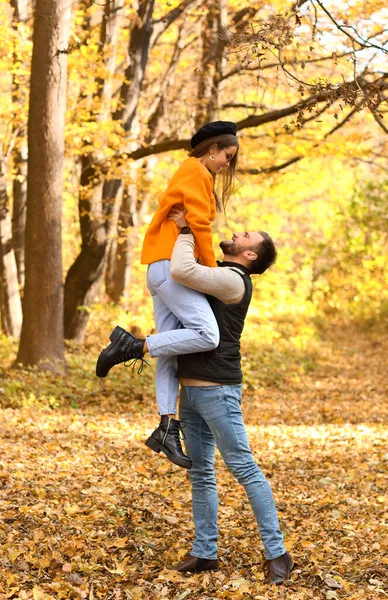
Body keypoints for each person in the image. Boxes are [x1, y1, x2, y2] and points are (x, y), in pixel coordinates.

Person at [96, 121, 239, 470]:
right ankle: (131, 346)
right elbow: (201, 227)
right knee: (206, 334)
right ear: (212, 149)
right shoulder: (195, 171)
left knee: (171, 352)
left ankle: (166, 426)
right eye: (226, 157)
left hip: (161, 267)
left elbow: (188, 218)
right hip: (171, 266)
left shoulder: (192, 172)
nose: (225, 164)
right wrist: (211, 270)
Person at [160, 208, 293, 585]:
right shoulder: (221, 271)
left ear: (250, 255)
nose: (237, 233)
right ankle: (205, 553)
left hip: (218, 390)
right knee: (201, 474)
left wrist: (186, 229)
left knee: (244, 469)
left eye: (245, 235)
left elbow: (183, 270)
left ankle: (278, 553)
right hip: (192, 389)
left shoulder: (233, 279)